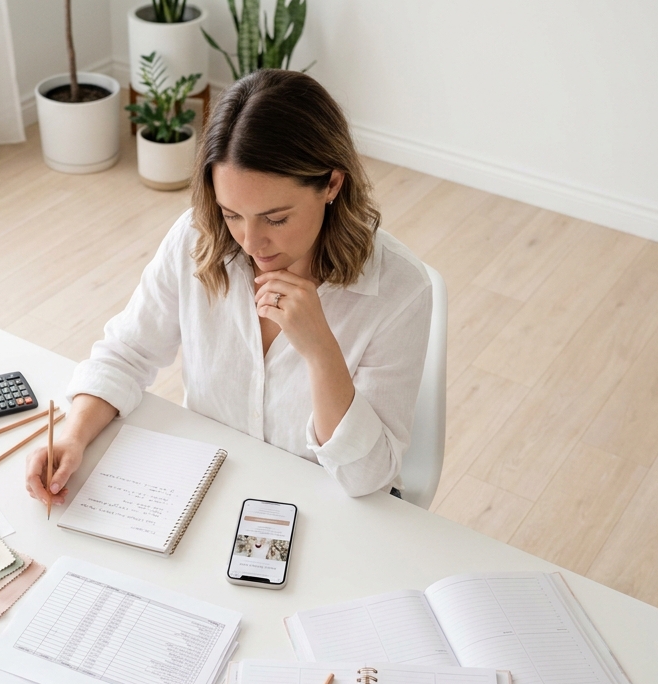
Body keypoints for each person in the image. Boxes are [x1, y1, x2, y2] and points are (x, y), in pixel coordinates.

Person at [25, 69, 432, 505]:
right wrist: (72, 436)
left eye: (276, 218)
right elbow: (127, 353)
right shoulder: (196, 239)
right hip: (210, 489)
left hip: (325, 503)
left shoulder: (398, 288)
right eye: (232, 214)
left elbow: (369, 475)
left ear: (331, 184)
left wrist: (321, 351)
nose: (251, 242)